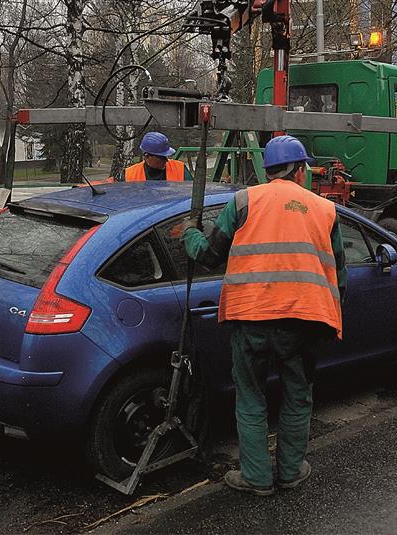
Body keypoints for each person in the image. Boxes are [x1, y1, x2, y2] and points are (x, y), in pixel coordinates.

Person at [181, 135, 346, 496]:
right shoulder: (324, 209)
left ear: (269, 170)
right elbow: (339, 274)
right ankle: (291, 471)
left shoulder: (243, 201)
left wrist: (190, 234)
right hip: (303, 319)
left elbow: (209, 255)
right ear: (299, 170)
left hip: (250, 316)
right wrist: (331, 318)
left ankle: (256, 478)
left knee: (251, 398)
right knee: (297, 397)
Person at [124, 132, 193, 182]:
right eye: (161, 157)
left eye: (166, 156)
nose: (166, 160)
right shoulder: (130, 175)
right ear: (147, 156)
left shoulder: (180, 169)